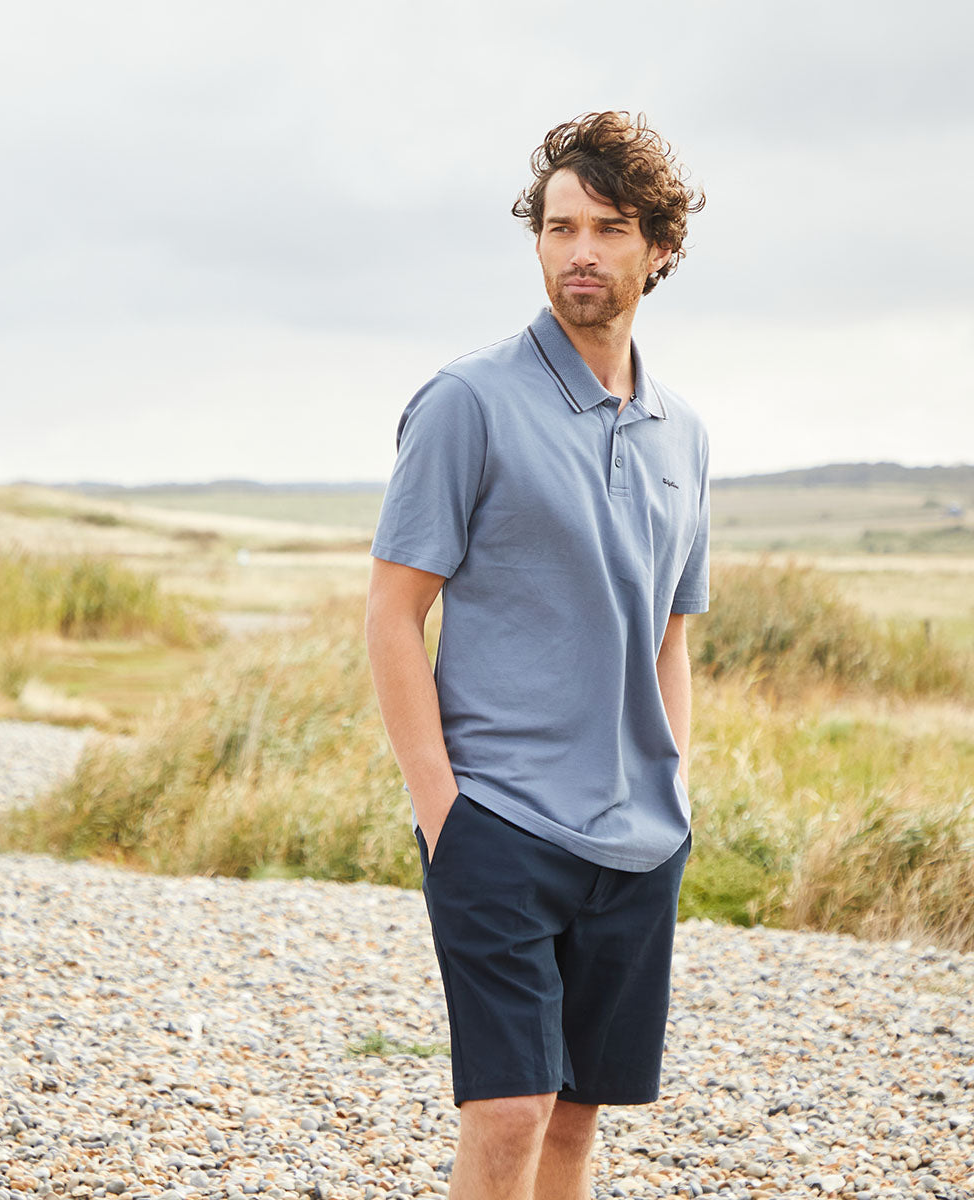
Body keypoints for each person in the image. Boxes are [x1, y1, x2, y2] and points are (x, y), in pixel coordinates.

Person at [365, 112, 709, 1200]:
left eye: (609, 228)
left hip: (637, 839)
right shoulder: (468, 402)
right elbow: (390, 614)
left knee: (572, 1120)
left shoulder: (683, 433)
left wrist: (675, 795)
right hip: (500, 821)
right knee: (508, 1111)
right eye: (561, 228)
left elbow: (670, 632)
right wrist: (444, 814)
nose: (581, 253)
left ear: (660, 247)